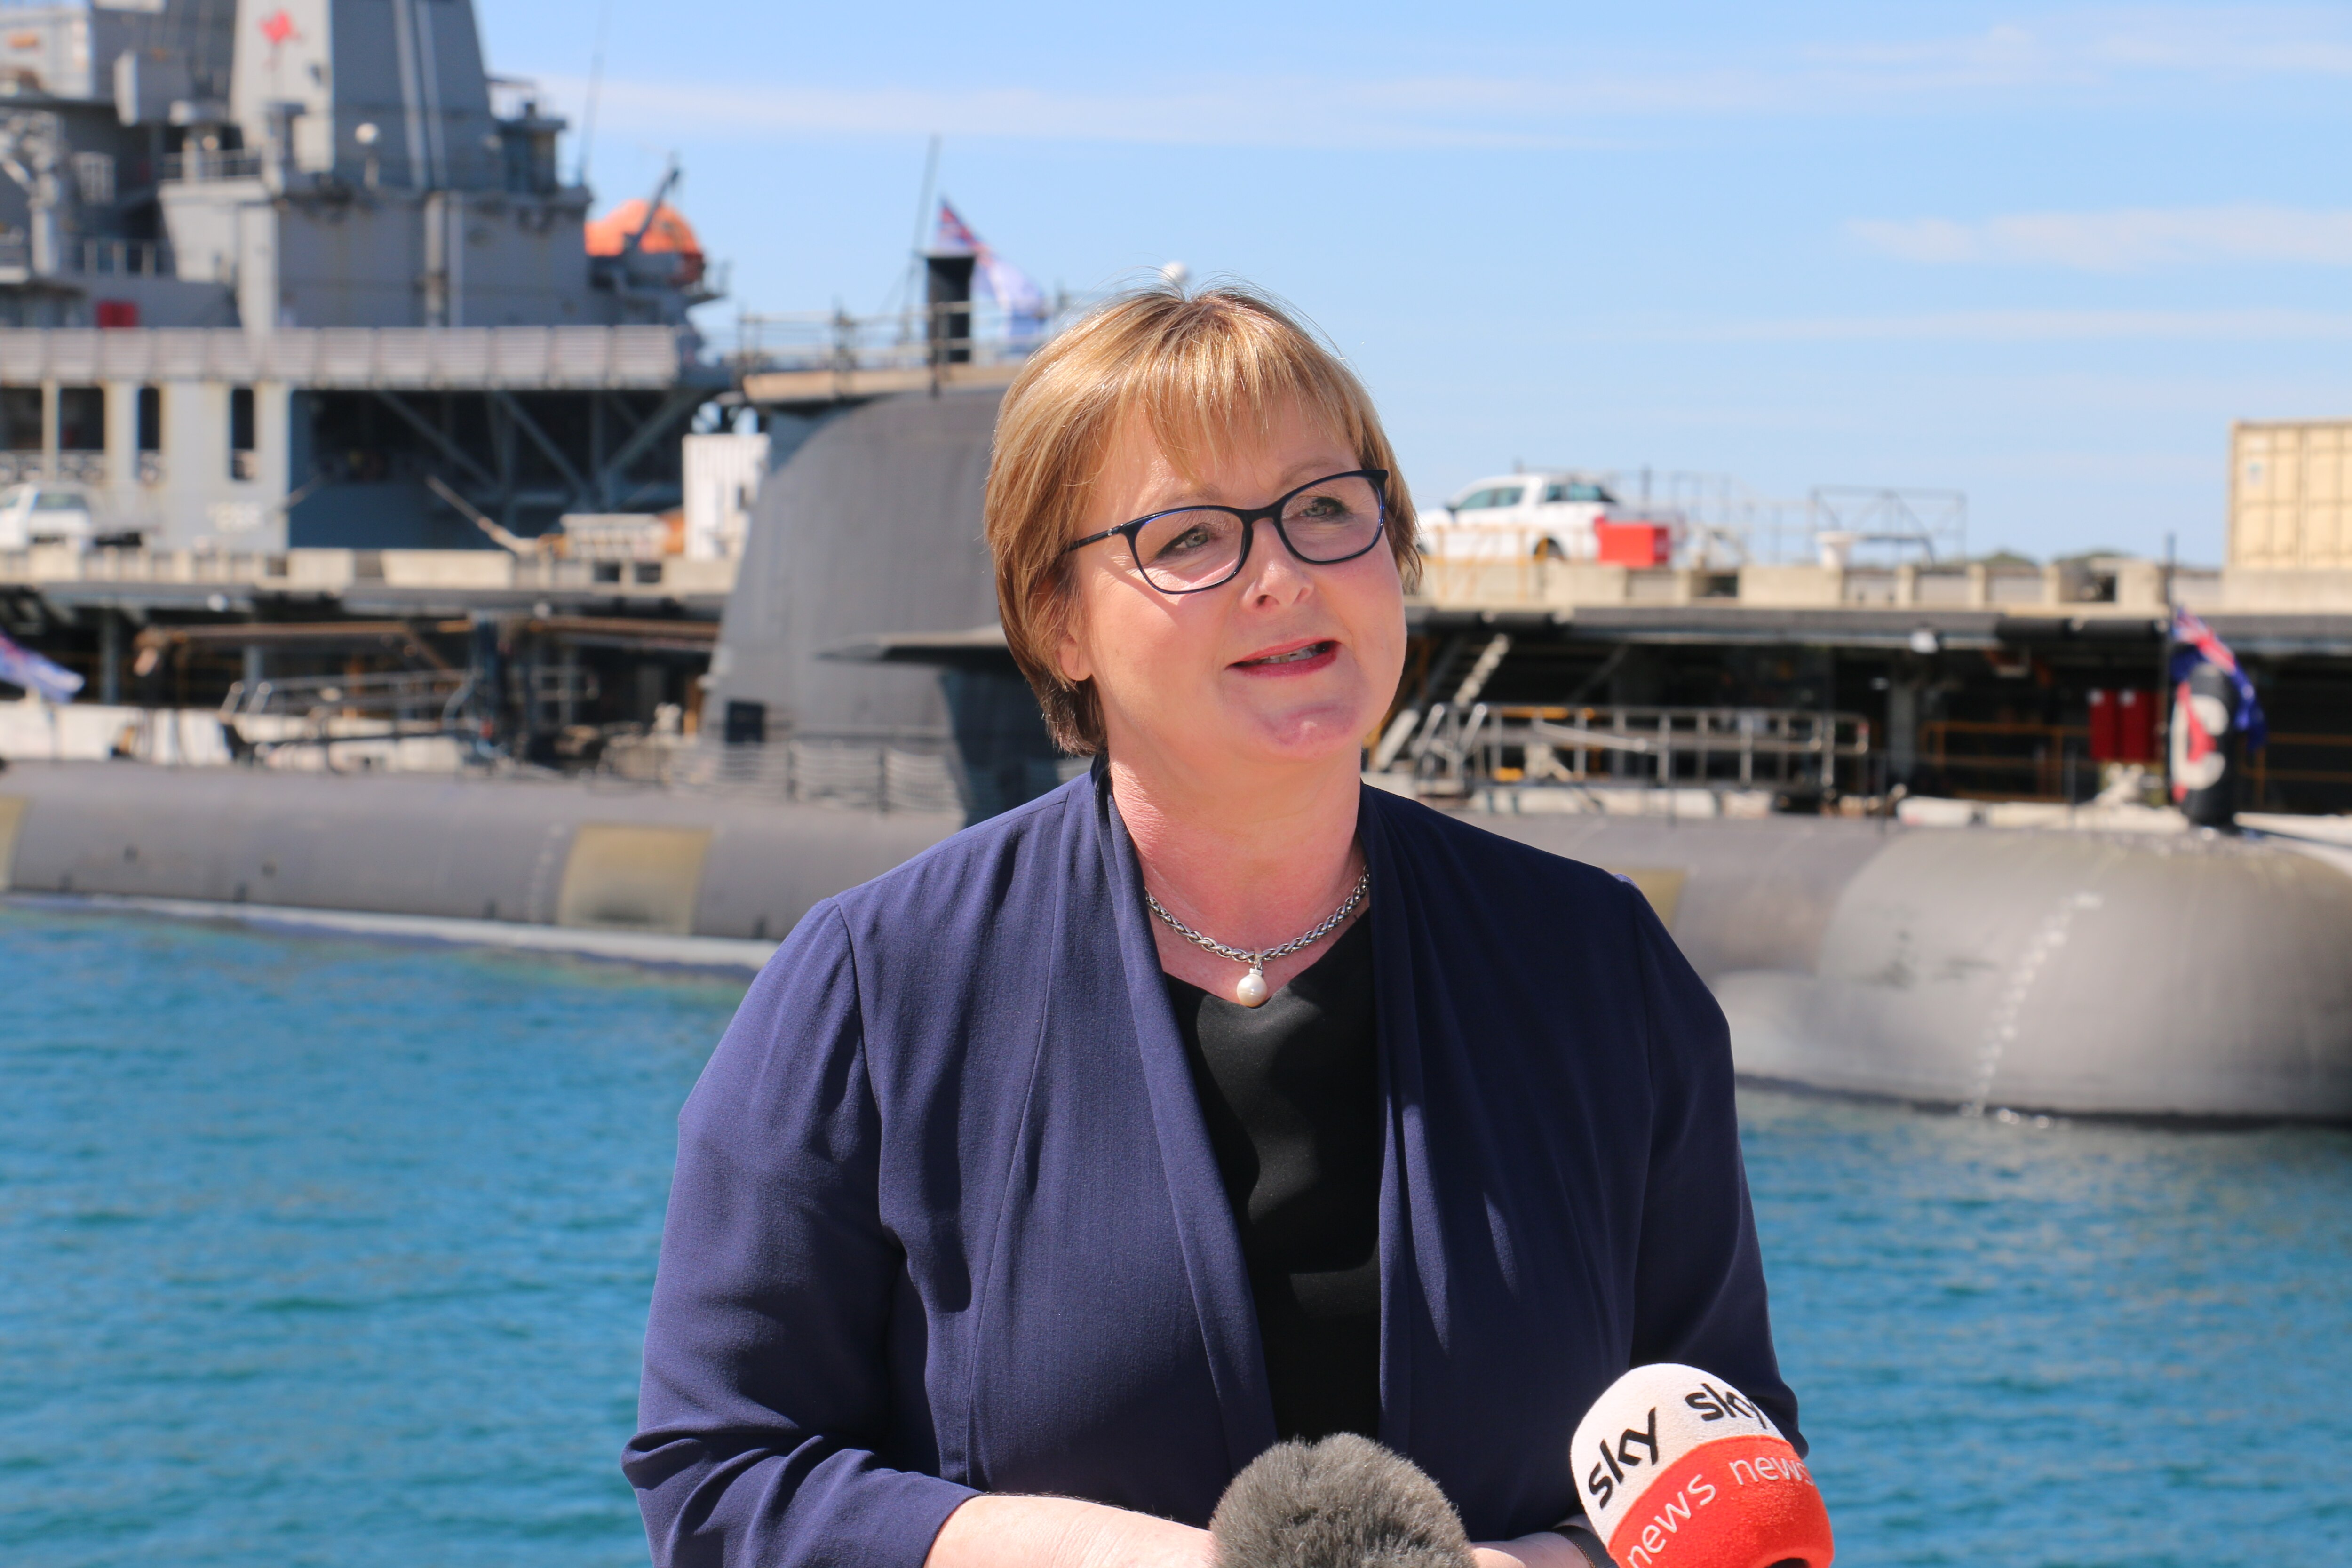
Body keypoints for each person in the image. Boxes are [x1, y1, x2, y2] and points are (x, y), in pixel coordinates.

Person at [624, 287, 1800, 1568]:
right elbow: (724, 1474)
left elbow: (1728, 1460)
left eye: (1327, 510)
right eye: (1188, 537)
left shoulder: (1597, 972)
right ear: (1060, 619)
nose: (1284, 575)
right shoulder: (879, 991)